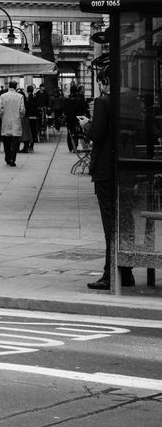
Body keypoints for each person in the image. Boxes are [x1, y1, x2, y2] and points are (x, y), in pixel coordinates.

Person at [87, 67, 135, 291]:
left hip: (106, 169)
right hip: (126, 168)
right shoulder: (130, 98)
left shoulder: (103, 102)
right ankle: (126, 271)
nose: (99, 86)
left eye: (100, 81)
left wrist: (86, 125)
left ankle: (110, 273)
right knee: (126, 219)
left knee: (110, 222)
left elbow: (97, 134)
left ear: (106, 81)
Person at [0, 79, 25, 166]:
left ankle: (7, 157)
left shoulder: (2, 96)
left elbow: (0, 111)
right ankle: (13, 159)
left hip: (6, 121)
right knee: (15, 141)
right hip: (16, 121)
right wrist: (19, 116)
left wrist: (3, 117)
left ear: (9, 86)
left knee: (6, 141)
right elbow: (22, 111)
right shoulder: (20, 96)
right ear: (16, 86)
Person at [22, 85, 39, 152]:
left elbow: (26, 107)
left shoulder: (27, 98)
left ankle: (28, 144)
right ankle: (32, 145)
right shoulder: (35, 98)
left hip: (28, 117)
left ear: (27, 90)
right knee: (33, 131)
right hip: (34, 117)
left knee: (28, 131)